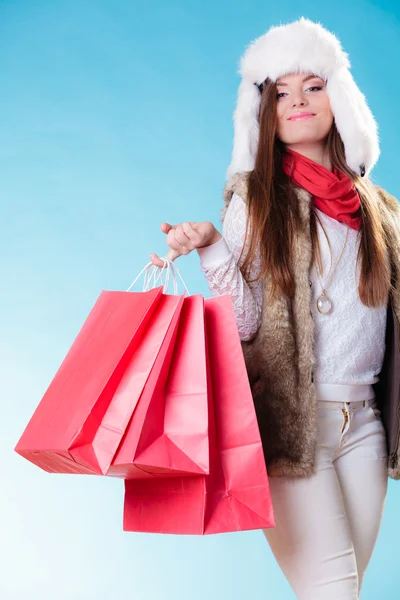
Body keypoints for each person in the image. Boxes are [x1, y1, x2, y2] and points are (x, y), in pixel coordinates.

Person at [150, 17, 400, 600]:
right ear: (263, 113)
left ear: (339, 98)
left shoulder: (380, 210)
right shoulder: (255, 199)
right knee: (335, 592)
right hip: (291, 427)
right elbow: (243, 325)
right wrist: (212, 249)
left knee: (344, 589)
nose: (296, 102)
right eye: (279, 93)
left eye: (311, 86)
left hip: (365, 425)